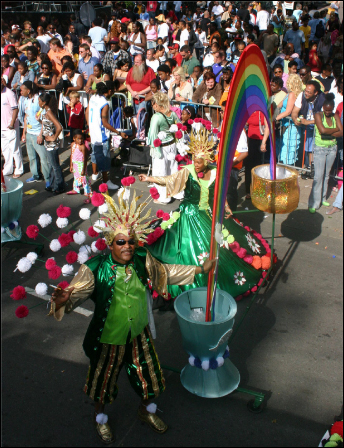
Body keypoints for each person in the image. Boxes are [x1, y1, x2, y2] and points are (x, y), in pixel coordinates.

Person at [48, 187, 216, 444]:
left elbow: (165, 272)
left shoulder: (141, 258)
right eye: (121, 242)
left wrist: (199, 269)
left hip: (138, 333)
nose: (127, 246)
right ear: (110, 243)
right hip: (108, 338)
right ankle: (100, 417)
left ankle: (145, 411)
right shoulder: (95, 268)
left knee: (149, 377)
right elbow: (76, 292)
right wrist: (64, 299)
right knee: (102, 384)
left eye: (131, 241)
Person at [139, 119, 272, 300]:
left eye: (199, 161)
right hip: (189, 216)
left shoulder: (217, 172)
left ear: (207, 159)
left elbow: (219, 193)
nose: (196, 163)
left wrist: (225, 207)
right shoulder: (187, 170)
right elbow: (169, 180)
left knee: (224, 246)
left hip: (210, 215)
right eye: (194, 159)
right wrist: (149, 179)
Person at [86, 81, 127, 189]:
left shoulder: (93, 97)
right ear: (109, 91)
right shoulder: (105, 104)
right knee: (105, 159)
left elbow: (87, 112)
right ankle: (106, 181)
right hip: (101, 135)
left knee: (94, 154)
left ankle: (95, 173)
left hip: (93, 132)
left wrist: (90, 126)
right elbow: (105, 123)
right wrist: (118, 133)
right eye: (112, 91)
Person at [308, 93, 343, 213]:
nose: (328, 112)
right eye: (326, 110)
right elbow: (322, 130)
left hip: (332, 148)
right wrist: (334, 131)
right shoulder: (318, 115)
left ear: (332, 108)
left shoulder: (335, 116)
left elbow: (341, 132)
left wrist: (328, 132)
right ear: (323, 108)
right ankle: (314, 202)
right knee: (318, 176)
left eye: (330, 110)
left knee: (327, 175)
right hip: (320, 149)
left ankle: (322, 198)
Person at [146, 91, 182, 204]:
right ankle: (178, 193)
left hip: (161, 147)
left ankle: (164, 197)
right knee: (173, 169)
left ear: (157, 103)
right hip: (172, 145)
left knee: (161, 172)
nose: (152, 105)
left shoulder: (156, 117)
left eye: (153, 103)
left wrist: (154, 149)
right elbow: (179, 127)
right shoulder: (172, 114)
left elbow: (152, 135)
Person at [20, 81, 51, 186]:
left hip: (37, 133)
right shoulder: (25, 100)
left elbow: (44, 118)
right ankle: (36, 175)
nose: (20, 92)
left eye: (22, 90)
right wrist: (24, 133)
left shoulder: (38, 100)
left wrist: (40, 135)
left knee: (43, 158)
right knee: (32, 157)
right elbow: (26, 117)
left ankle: (48, 179)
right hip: (29, 133)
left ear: (28, 90)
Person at [292, 80, 326, 170]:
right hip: (306, 129)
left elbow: (325, 118)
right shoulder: (302, 95)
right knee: (307, 149)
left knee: (314, 149)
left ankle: (313, 168)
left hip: (318, 129)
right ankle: (308, 167)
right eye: (305, 90)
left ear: (316, 93)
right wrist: (295, 119)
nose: (306, 93)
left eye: (309, 92)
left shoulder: (323, 99)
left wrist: (308, 122)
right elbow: (294, 111)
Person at [37, 92, 64, 195]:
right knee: (51, 165)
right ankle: (53, 184)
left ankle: (59, 186)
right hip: (47, 143)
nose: (38, 103)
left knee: (55, 165)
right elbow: (47, 125)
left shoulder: (49, 112)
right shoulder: (46, 111)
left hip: (51, 144)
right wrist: (39, 120)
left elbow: (59, 127)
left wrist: (54, 137)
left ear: (44, 103)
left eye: (39, 101)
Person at [276, 73, 303, 165]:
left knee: (288, 148)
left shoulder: (292, 94)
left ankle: (287, 169)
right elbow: (279, 105)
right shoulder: (289, 94)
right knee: (285, 148)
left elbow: (288, 111)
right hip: (286, 124)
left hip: (290, 125)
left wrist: (275, 118)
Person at [1, 75, 24, 178]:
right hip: (2, 127)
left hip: (11, 127)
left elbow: (15, 109)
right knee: (5, 149)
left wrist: (11, 123)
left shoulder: (9, 93)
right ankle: (8, 168)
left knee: (15, 149)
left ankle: (19, 169)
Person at [244, 110, 270, 199]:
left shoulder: (263, 111)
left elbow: (267, 127)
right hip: (249, 140)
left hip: (260, 140)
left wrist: (264, 142)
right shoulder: (249, 110)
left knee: (258, 167)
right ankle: (249, 190)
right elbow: (247, 123)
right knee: (248, 166)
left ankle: (258, 191)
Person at [67, 129, 92, 202]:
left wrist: (84, 169)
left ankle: (89, 195)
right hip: (75, 163)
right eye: (78, 139)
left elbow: (85, 159)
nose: (80, 140)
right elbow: (72, 154)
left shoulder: (82, 147)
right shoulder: (73, 145)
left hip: (81, 164)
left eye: (81, 139)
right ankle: (75, 189)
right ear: (74, 138)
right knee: (76, 177)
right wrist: (71, 165)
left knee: (84, 180)